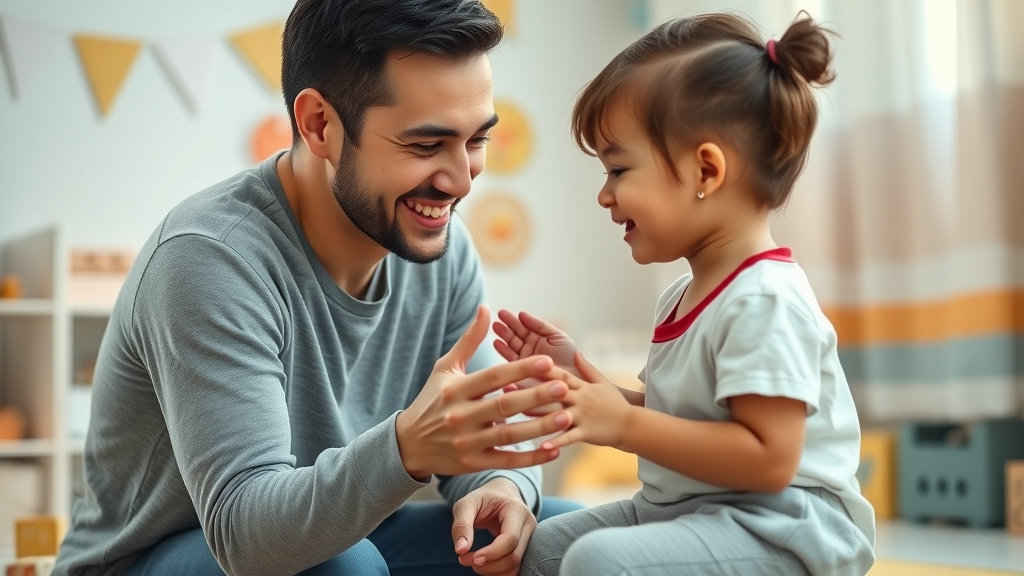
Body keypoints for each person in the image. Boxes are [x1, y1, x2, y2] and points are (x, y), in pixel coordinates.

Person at [54, 1, 582, 575]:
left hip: (341, 538)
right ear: (319, 125)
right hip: (167, 555)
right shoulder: (209, 259)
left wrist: (503, 486)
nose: (461, 180)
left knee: (562, 539)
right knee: (346, 569)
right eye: (426, 146)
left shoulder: (439, 249)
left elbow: (486, 434)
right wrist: (406, 448)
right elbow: (246, 533)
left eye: (475, 140)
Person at [492, 12, 876, 576]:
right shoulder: (683, 294)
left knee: (597, 563)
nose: (604, 195)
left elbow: (770, 459)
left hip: (781, 526)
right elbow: (678, 419)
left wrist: (621, 427)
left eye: (618, 169)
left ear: (705, 170)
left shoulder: (764, 299)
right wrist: (579, 376)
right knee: (546, 550)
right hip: (688, 508)